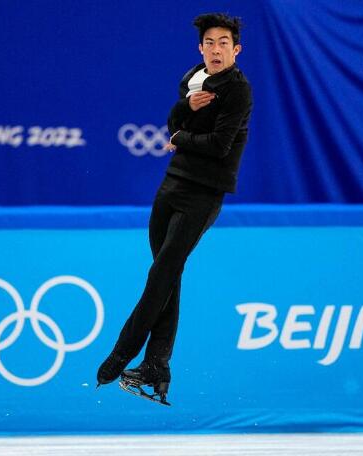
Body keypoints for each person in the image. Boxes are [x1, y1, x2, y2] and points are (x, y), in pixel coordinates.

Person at [97, 12, 252, 405]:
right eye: (210, 43)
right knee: (167, 275)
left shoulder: (239, 91)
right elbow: (172, 120)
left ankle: (122, 353)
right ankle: (156, 368)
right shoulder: (192, 78)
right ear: (201, 48)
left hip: (204, 193)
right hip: (172, 185)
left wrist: (182, 135)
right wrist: (185, 109)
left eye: (224, 43)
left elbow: (218, 145)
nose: (216, 50)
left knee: (163, 272)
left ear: (236, 50)